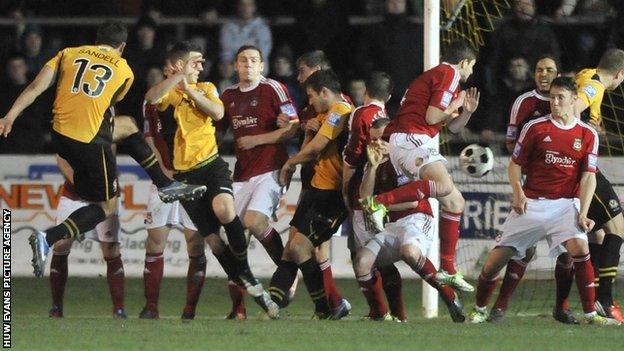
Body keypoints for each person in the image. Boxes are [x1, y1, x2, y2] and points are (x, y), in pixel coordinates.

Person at [467, 77, 620, 326]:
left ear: (573, 100)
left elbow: (588, 176)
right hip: (532, 204)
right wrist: (518, 192)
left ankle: (592, 315)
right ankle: (480, 308)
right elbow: (514, 165)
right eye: (552, 97)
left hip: (564, 206)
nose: (555, 102)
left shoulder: (588, 133)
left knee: (580, 250)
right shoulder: (536, 128)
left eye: (561, 98)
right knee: (493, 264)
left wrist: (582, 211)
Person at [145, 41, 279, 319]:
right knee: (214, 243)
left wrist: (190, 89)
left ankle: (244, 272)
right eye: (196, 62)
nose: (202, 66)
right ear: (181, 65)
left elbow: (218, 113)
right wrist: (176, 79)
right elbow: (152, 98)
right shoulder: (170, 91)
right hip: (185, 176)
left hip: (211, 165)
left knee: (225, 210)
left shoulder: (206, 88)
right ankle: (250, 283)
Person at [360, 41, 480, 293]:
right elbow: (432, 118)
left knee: (455, 202)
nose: (471, 73)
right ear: (464, 63)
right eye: (472, 67)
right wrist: (454, 105)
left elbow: (453, 127)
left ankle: (448, 269)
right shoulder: (449, 73)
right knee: (445, 186)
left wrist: (465, 112)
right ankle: (379, 202)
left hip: (406, 139)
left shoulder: (438, 77)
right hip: (410, 137)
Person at [219, 45, 299, 316]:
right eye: (243, 61)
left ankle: (288, 271)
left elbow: (294, 126)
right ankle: (238, 308)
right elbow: (214, 133)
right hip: (242, 173)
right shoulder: (227, 96)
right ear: (236, 66)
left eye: (254, 61)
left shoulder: (273, 88)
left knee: (254, 222)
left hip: (271, 168)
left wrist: (258, 139)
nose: (249, 65)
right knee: (233, 240)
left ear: (262, 66)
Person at [354, 131, 465, 323]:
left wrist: (381, 204)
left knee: (410, 253)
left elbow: (412, 202)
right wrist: (372, 167)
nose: (377, 144)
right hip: (391, 225)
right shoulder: (372, 163)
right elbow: (365, 199)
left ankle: (448, 295)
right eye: (374, 140)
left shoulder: (404, 159)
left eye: (382, 139)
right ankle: (380, 314)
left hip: (417, 218)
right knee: (362, 262)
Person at [272, 70, 352, 319]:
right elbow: (311, 150)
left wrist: (289, 163)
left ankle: (327, 306)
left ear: (324, 92)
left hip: (334, 195)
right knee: (291, 249)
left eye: (311, 96)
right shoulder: (323, 114)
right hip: (315, 191)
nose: (309, 102)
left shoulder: (341, 111)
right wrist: (307, 132)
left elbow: (316, 149)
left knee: (300, 248)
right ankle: (271, 305)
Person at [487, 55, 559, 323]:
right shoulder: (524, 102)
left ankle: (565, 307)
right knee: (522, 250)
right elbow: (510, 145)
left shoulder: (568, 100)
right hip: (531, 185)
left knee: (570, 252)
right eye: (539, 70)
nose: (544, 74)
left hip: (564, 189)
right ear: (533, 74)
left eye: (550, 70)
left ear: (557, 73)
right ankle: (498, 306)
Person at [139, 63, 209, 321]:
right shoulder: (154, 99)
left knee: (195, 245)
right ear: (172, 68)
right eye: (193, 63)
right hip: (165, 180)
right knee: (155, 242)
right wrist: (162, 174)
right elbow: (149, 139)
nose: (198, 68)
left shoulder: (202, 92)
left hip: (194, 180)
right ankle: (151, 308)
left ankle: (189, 310)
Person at [342, 72, 407, 321]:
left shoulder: (362, 114)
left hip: (365, 190)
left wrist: (345, 188)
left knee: (369, 254)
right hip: (384, 190)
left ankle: (382, 312)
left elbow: (352, 156)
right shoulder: (388, 119)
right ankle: (389, 312)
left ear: (365, 90)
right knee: (373, 253)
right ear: (389, 96)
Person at [573, 48, 624, 322]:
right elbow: (573, 109)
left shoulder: (585, 74)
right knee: (618, 227)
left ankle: (592, 300)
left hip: (575, 164)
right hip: (580, 166)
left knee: (598, 235)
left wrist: (593, 127)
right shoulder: (595, 86)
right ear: (620, 74)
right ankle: (605, 299)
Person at [49, 155, 126, 319]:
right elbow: (62, 159)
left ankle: (119, 309)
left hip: (105, 195)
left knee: (111, 250)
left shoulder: (107, 129)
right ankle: (56, 307)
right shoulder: (67, 129)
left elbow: (110, 153)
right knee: (61, 244)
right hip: (74, 194)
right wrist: (82, 184)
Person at [219, 0, 272, 73]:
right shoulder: (228, 26)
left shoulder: (262, 27)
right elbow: (226, 50)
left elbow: (263, 52)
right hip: (235, 65)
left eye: (249, 5)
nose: (245, 8)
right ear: (238, 7)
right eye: (242, 5)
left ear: (254, 7)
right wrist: (228, 62)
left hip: (255, 66)